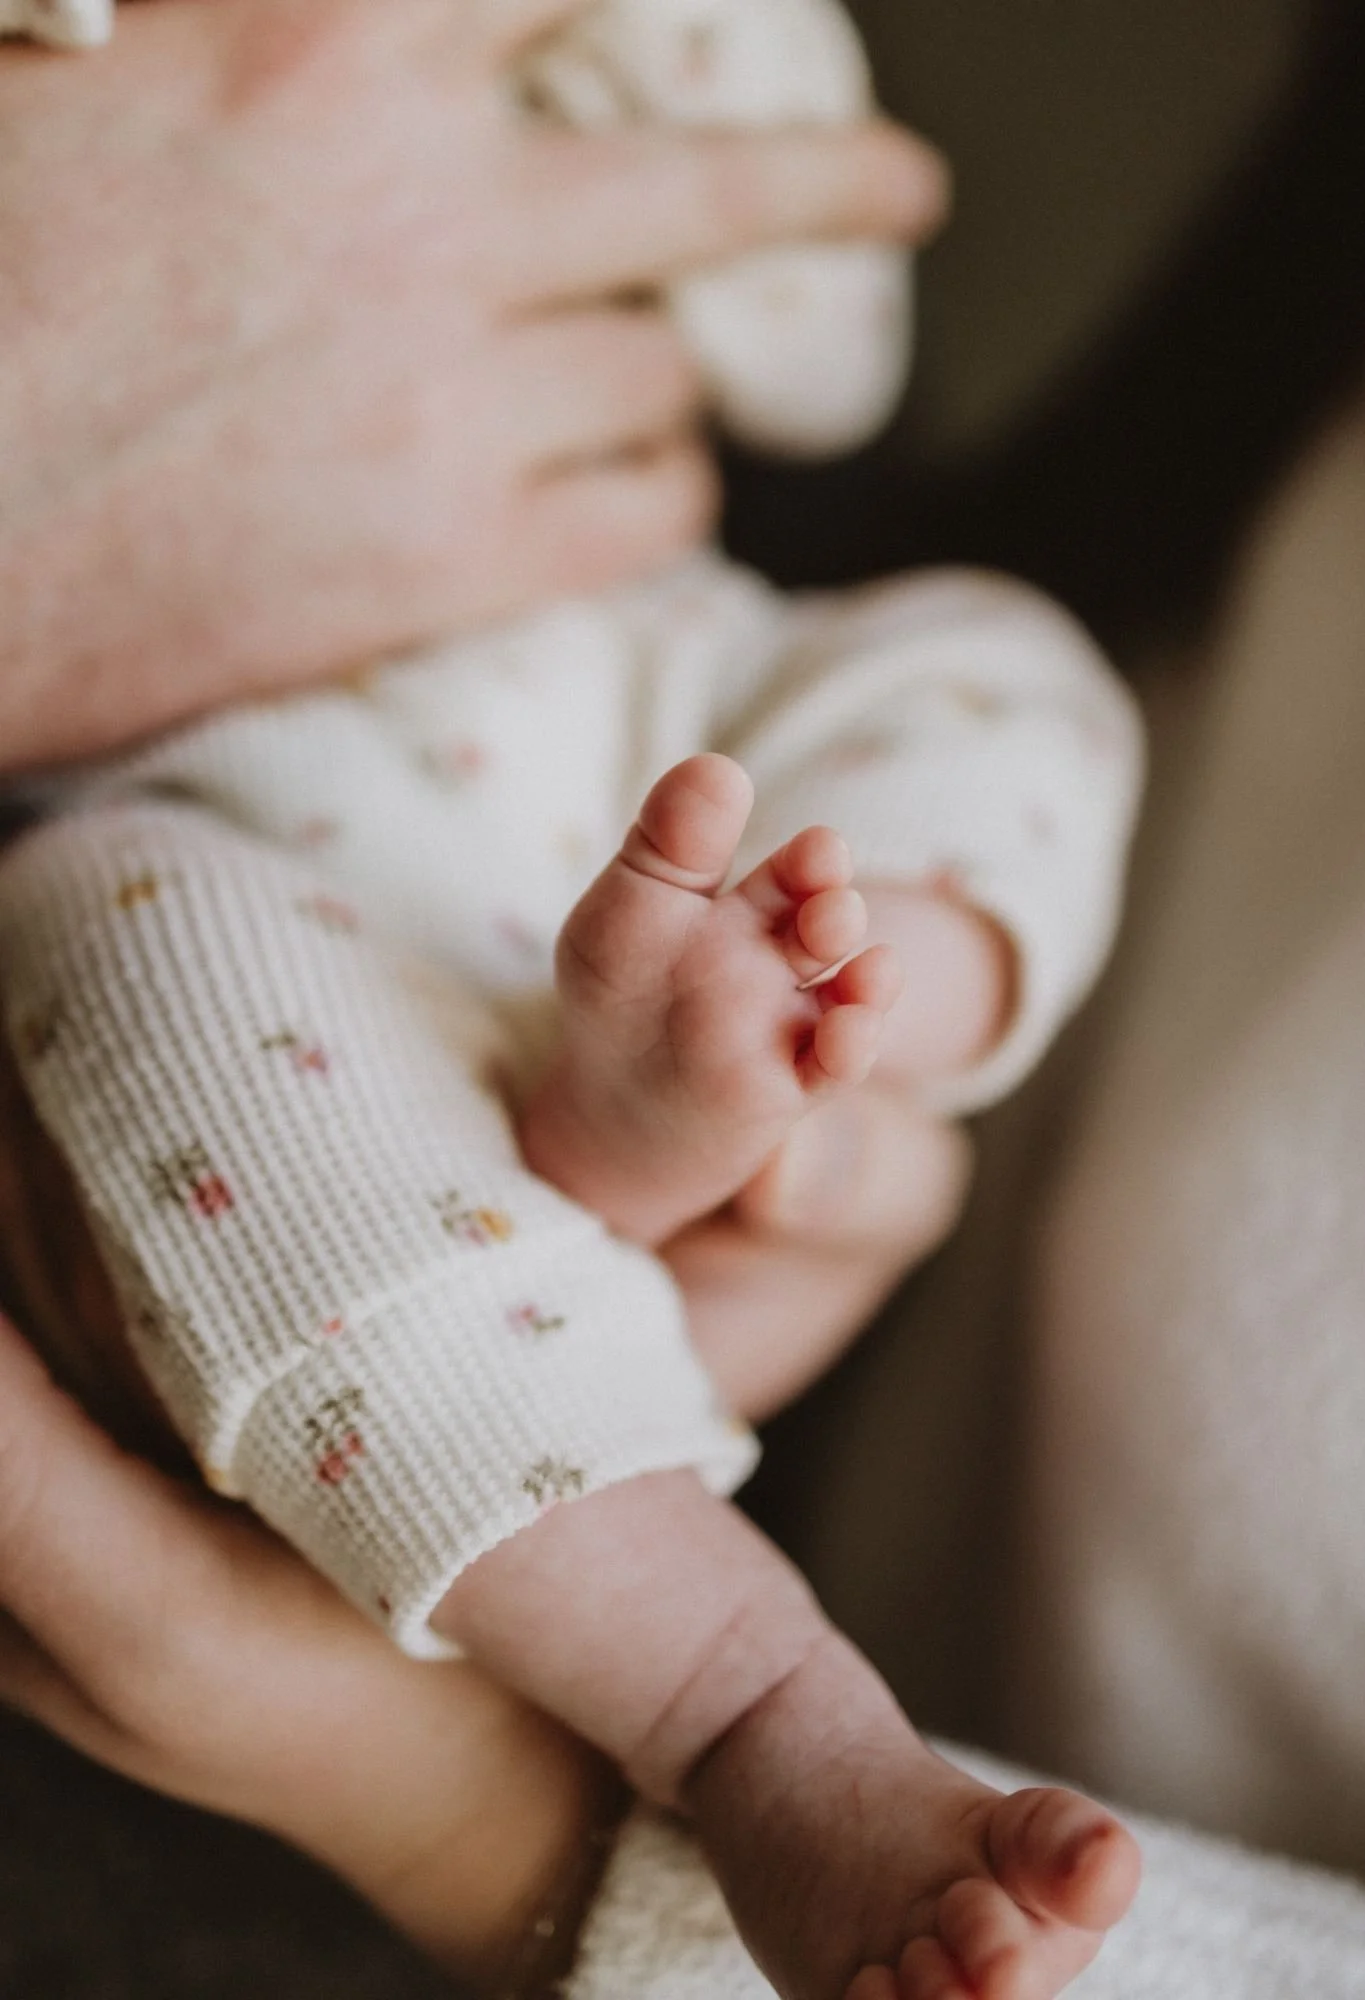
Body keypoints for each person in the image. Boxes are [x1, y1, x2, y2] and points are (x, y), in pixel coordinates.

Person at [1, 1, 1150, 1994]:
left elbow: (817, 342)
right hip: (246, 840)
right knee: (131, 954)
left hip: (650, 686)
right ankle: (743, 1705)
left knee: (999, 668)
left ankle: (833, 1009)